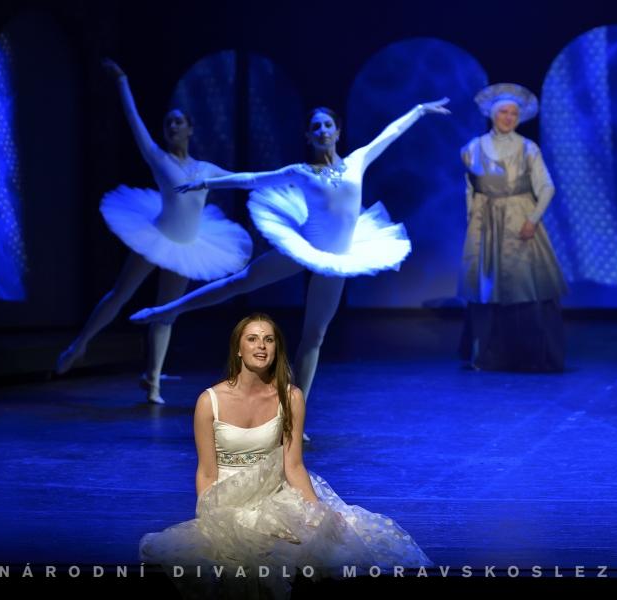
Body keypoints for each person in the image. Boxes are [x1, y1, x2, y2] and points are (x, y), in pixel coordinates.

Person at [131, 100, 450, 423]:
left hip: (338, 257)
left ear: (338, 132)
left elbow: (390, 133)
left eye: (327, 125)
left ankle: (292, 418)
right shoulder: (301, 172)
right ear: (308, 137)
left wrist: (420, 110)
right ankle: (166, 311)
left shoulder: (357, 161)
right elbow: (252, 179)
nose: (322, 130)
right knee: (240, 282)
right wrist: (206, 182)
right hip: (304, 246)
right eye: (316, 127)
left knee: (315, 336)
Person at [139, 313, 432, 598]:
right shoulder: (209, 401)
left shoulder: (290, 397)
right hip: (227, 498)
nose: (261, 346)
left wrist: (318, 512)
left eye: (268, 340)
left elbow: (293, 465)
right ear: (238, 349)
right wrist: (208, 518)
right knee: (234, 556)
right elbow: (206, 471)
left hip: (273, 493)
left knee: (321, 541)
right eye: (252, 339)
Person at [55, 59, 252, 403]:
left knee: (167, 311)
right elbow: (134, 122)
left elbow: (243, 179)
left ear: (190, 129)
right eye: (168, 123)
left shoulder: (205, 169)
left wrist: (288, 179)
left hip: (188, 244)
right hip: (157, 237)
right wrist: (122, 80)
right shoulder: (158, 158)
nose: (172, 126)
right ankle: (80, 344)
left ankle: (153, 380)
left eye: (179, 122)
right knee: (121, 293)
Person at [458, 83, 567, 372]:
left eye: (513, 113)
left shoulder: (528, 148)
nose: (508, 117)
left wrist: (533, 219)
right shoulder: (472, 148)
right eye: (503, 112)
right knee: (487, 288)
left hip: (519, 218)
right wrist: (472, 220)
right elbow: (469, 188)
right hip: (486, 223)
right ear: (493, 114)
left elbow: (547, 187)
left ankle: (531, 356)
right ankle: (488, 355)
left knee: (524, 285)